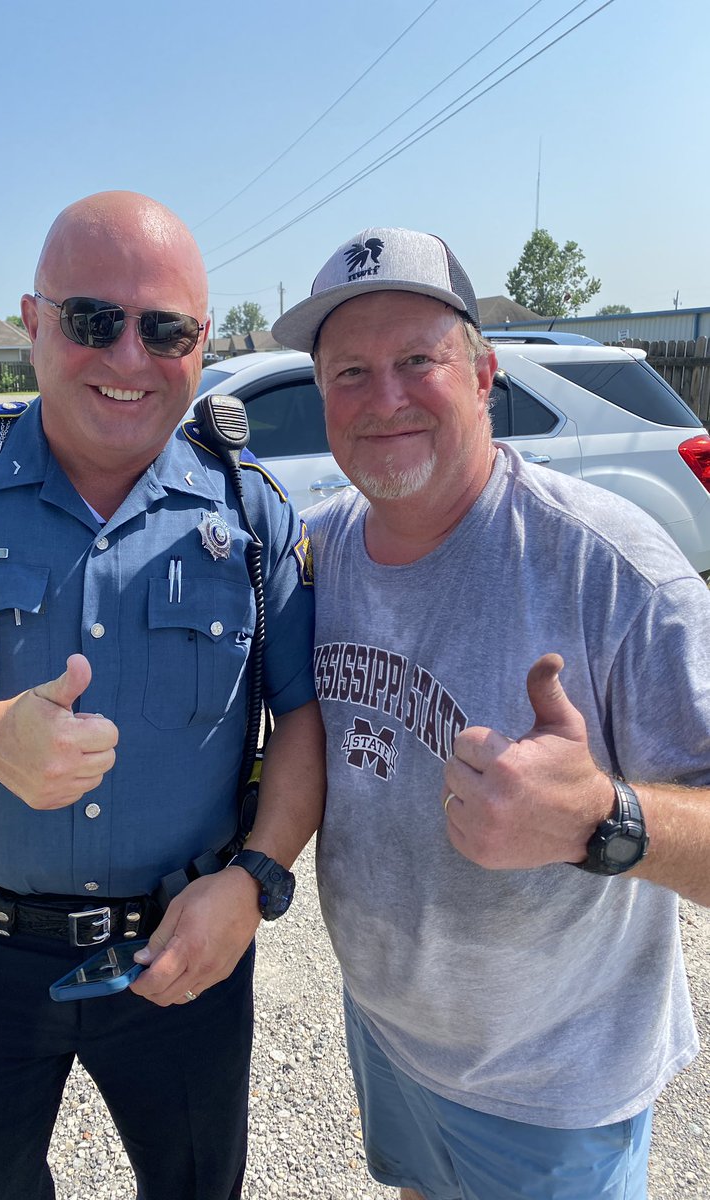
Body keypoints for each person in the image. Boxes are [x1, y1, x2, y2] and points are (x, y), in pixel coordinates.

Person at [0, 191, 324, 1200]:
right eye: (93, 320)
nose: (128, 358)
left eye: (164, 329)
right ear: (33, 322)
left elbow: (302, 712)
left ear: (201, 344)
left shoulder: (251, 511)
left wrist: (254, 881)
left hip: (188, 945)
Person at [270, 226, 710, 1200]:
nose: (382, 398)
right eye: (349, 372)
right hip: (392, 1035)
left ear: (483, 375)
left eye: (417, 360)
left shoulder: (607, 569)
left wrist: (605, 819)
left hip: (557, 1088)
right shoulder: (319, 555)